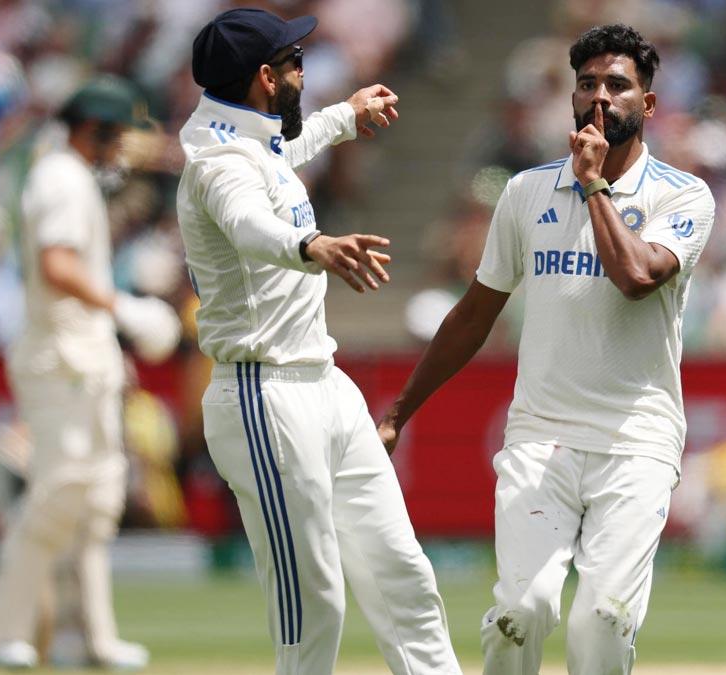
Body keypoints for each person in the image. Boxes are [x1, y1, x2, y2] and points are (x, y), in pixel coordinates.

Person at [379, 24, 716, 675]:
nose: (598, 97)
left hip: (637, 439)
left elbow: (638, 278)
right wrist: (399, 411)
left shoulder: (683, 195)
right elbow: (476, 313)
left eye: (617, 86)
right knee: (520, 613)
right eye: (586, 83)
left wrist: (593, 188)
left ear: (647, 105)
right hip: (541, 434)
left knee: (602, 620)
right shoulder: (525, 192)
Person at [176, 8, 461, 675]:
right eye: (294, 60)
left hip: (325, 384)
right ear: (263, 78)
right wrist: (313, 244)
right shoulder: (217, 164)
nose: (306, 70)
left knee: (403, 575)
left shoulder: (251, 142)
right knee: (314, 606)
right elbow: (248, 223)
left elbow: (282, 154)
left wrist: (344, 116)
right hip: (262, 394)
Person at [0, 76, 181, 670]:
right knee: (60, 493)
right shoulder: (58, 178)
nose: (122, 150)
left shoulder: (73, 177)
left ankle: (91, 638)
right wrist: (125, 308)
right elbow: (57, 265)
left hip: (85, 360)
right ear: (94, 130)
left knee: (99, 499)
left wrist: (113, 346)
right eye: (118, 137)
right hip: (57, 360)